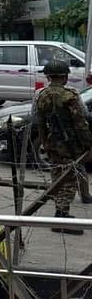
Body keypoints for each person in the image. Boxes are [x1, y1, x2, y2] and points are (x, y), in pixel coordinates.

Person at [33, 60, 92, 233]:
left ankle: (61, 213)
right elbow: (81, 124)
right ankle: (61, 217)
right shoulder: (70, 96)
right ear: (65, 77)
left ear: (49, 76)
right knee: (69, 180)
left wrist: (45, 142)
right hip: (70, 146)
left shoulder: (41, 95)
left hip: (52, 145)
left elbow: (40, 123)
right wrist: (88, 145)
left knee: (57, 177)